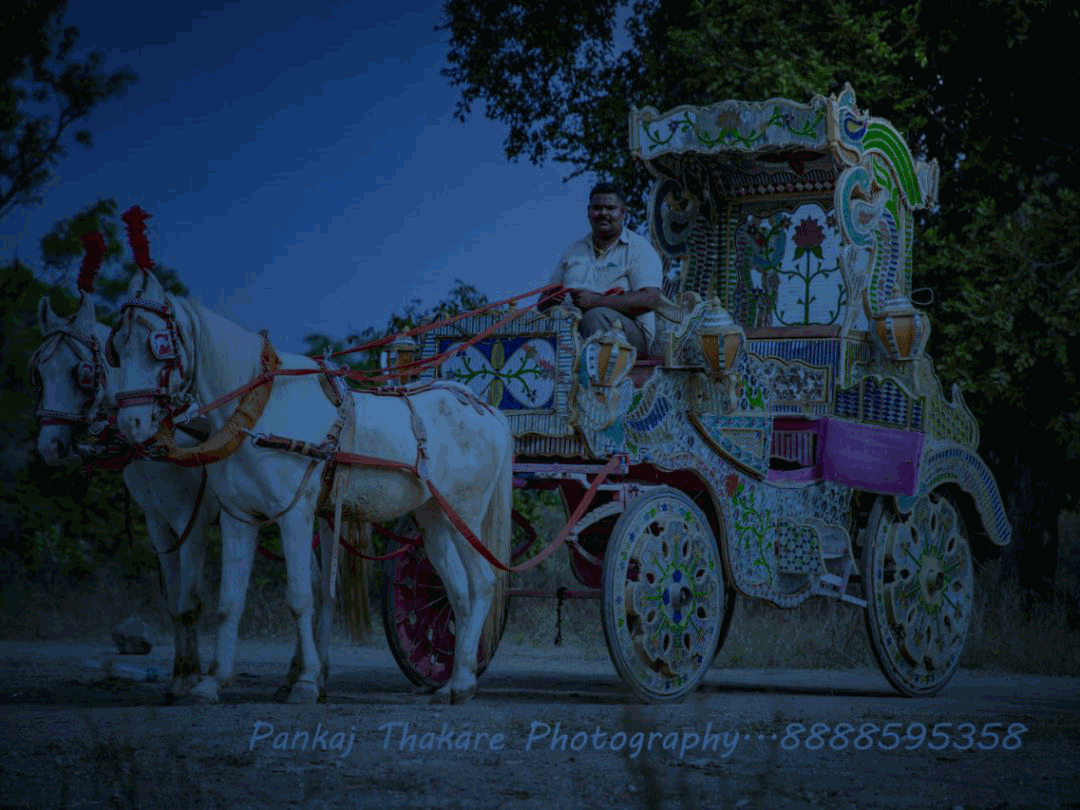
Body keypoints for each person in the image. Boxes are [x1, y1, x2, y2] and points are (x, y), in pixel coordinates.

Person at [540, 182, 663, 355]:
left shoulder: (639, 249)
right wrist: (549, 300)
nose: (603, 213)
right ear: (588, 211)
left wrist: (596, 301)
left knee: (594, 317)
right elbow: (542, 303)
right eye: (597, 208)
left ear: (623, 213)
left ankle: (590, 373)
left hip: (630, 336)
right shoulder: (573, 251)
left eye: (610, 208)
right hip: (570, 329)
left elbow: (650, 299)